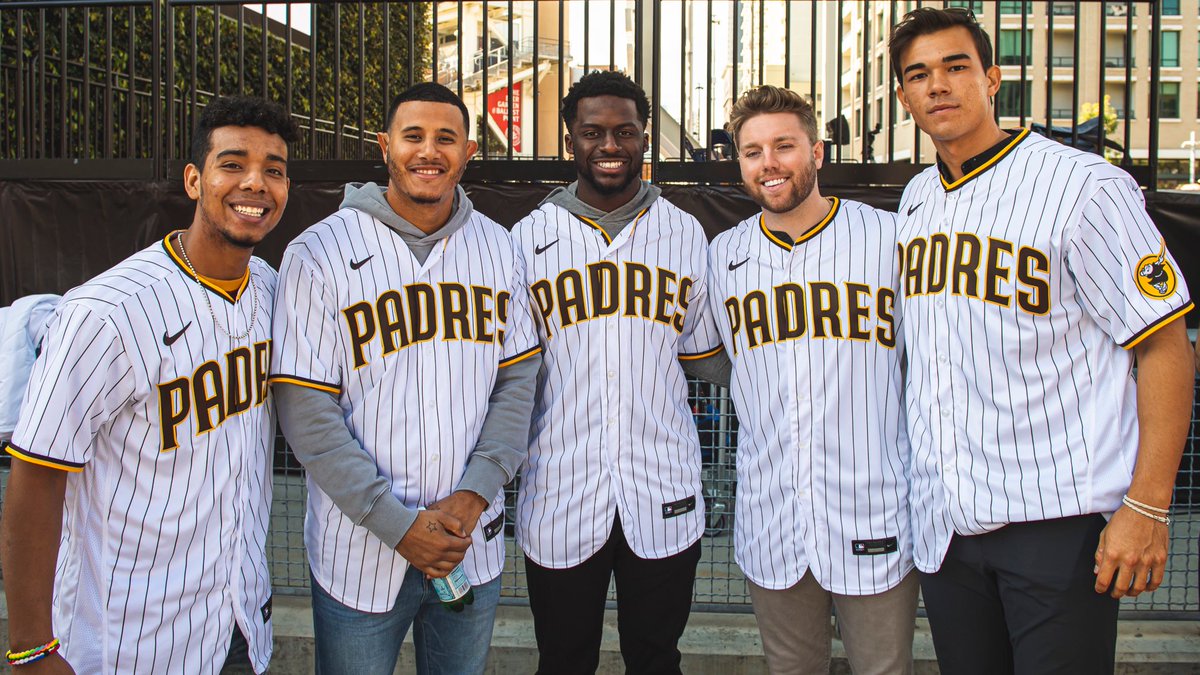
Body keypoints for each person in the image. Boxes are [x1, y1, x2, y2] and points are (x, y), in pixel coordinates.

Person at [889, 8, 1194, 674]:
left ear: (992, 77)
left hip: (1056, 523)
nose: (937, 84)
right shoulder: (915, 199)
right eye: (919, 74)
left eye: (955, 66)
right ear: (905, 97)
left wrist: (1147, 506)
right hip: (948, 528)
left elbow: (1165, 346)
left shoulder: (1086, 185)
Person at [0, 95, 298, 674]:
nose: (255, 184)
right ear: (195, 179)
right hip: (128, 641)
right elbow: (36, 476)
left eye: (274, 170)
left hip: (237, 625)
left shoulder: (267, 286)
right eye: (232, 164)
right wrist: (31, 648)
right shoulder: (106, 313)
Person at [269, 82, 541, 675]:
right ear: (384, 145)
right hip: (359, 549)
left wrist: (473, 495)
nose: (428, 151)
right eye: (413, 135)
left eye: (446, 138)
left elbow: (517, 383)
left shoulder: (500, 248)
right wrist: (399, 527)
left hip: (470, 539)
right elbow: (305, 409)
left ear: (469, 152)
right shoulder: (318, 251)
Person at [510, 70, 724, 674]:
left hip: (662, 484)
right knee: (563, 659)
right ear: (569, 138)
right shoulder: (526, 239)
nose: (610, 145)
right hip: (560, 486)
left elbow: (701, 351)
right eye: (593, 132)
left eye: (625, 131)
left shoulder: (684, 233)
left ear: (644, 137)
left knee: (656, 659)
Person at [706, 85, 917, 674]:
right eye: (752, 152)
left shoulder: (889, 238)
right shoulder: (724, 254)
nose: (768, 163)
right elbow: (707, 354)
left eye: (784, 146)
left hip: (873, 508)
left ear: (817, 153)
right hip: (772, 515)